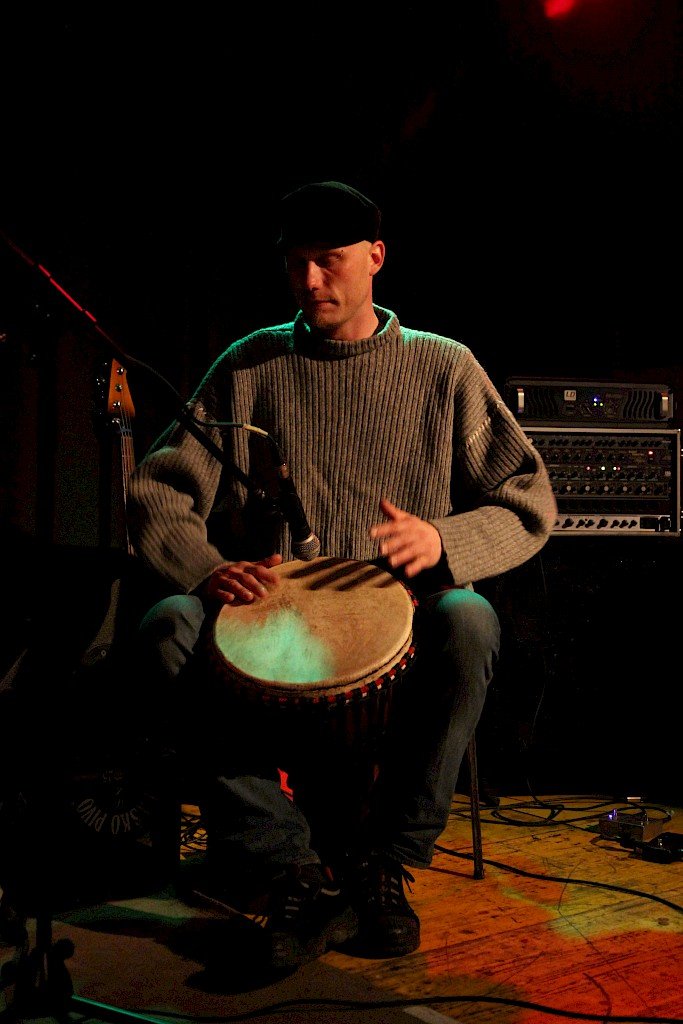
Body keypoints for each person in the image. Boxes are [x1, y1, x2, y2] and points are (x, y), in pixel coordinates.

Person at [126, 180, 558, 970]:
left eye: (328, 260)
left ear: (375, 257)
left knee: (469, 619)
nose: (309, 280)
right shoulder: (250, 362)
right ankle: (286, 861)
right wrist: (205, 569)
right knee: (167, 626)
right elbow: (158, 489)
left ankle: (383, 863)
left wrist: (442, 540)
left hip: (405, 618)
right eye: (295, 263)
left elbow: (528, 498)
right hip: (275, 617)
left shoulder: (443, 367)